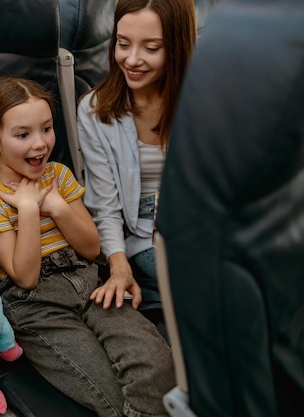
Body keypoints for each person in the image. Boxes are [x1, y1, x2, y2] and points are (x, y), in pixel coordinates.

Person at [0, 75, 175, 417]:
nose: (40, 144)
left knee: (156, 364)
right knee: (107, 392)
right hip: (37, 306)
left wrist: (58, 207)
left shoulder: (59, 175)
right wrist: (31, 210)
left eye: (47, 129)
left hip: (90, 283)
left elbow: (91, 249)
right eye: (23, 135)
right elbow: (25, 276)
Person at [77, 0, 197, 322]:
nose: (131, 60)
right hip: (148, 239)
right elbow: (105, 206)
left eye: (151, 48)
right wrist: (118, 266)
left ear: (176, 45)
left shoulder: (203, 99)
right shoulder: (95, 111)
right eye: (123, 43)